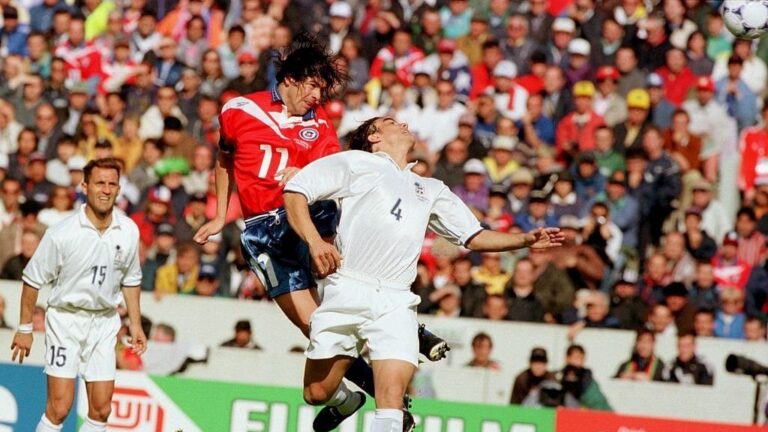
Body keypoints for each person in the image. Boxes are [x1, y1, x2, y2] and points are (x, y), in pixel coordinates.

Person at [191, 34, 449, 430]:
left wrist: (305, 178)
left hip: (310, 215)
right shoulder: (238, 109)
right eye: (313, 85)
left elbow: (335, 170)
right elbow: (226, 159)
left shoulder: (319, 126)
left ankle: (406, 332)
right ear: (291, 78)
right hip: (263, 233)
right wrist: (221, 213)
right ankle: (348, 398)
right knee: (315, 328)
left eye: (323, 90)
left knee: (346, 288)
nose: (317, 97)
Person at [282, 116, 563, 431]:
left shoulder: (430, 188)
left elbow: (473, 236)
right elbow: (296, 191)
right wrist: (315, 241)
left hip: (396, 300)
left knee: (391, 400)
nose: (402, 124)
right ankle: (347, 401)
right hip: (347, 288)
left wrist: (523, 240)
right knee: (316, 392)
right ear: (373, 136)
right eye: (390, 122)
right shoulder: (357, 162)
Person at [10, 158, 146, 432]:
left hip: (105, 323)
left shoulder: (129, 230)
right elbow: (32, 279)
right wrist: (25, 328)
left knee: (102, 409)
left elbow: (131, 280)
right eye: (99, 183)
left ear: (119, 188)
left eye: (112, 184)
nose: (106, 190)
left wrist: (136, 325)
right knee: (59, 409)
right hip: (66, 321)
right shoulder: (63, 233)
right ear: (85, 186)